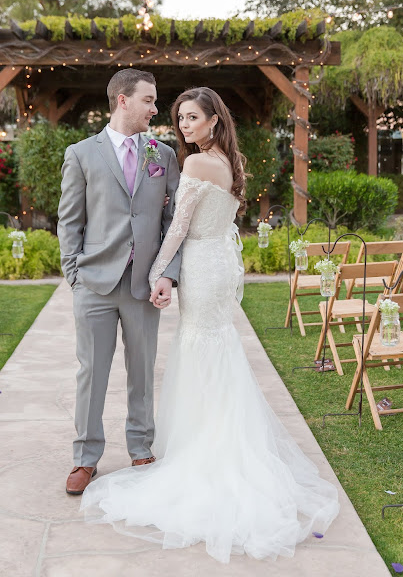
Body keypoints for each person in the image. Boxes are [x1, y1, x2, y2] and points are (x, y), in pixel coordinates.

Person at [80, 87, 339, 563]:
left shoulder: (198, 165)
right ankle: (221, 439)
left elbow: (179, 228)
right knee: (217, 348)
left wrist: (157, 272)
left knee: (200, 349)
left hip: (201, 264)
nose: (183, 125)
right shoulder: (230, 162)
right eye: (180, 118)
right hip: (219, 260)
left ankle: (205, 453)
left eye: (192, 118)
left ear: (215, 120)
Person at [57, 69, 181, 496]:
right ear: (122, 101)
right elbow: (70, 220)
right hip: (93, 282)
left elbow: (173, 222)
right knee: (91, 372)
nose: (154, 108)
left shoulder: (163, 155)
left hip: (144, 285)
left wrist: (168, 273)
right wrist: (74, 274)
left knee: (142, 370)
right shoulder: (81, 153)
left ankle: (140, 446)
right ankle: (85, 457)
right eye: (148, 100)